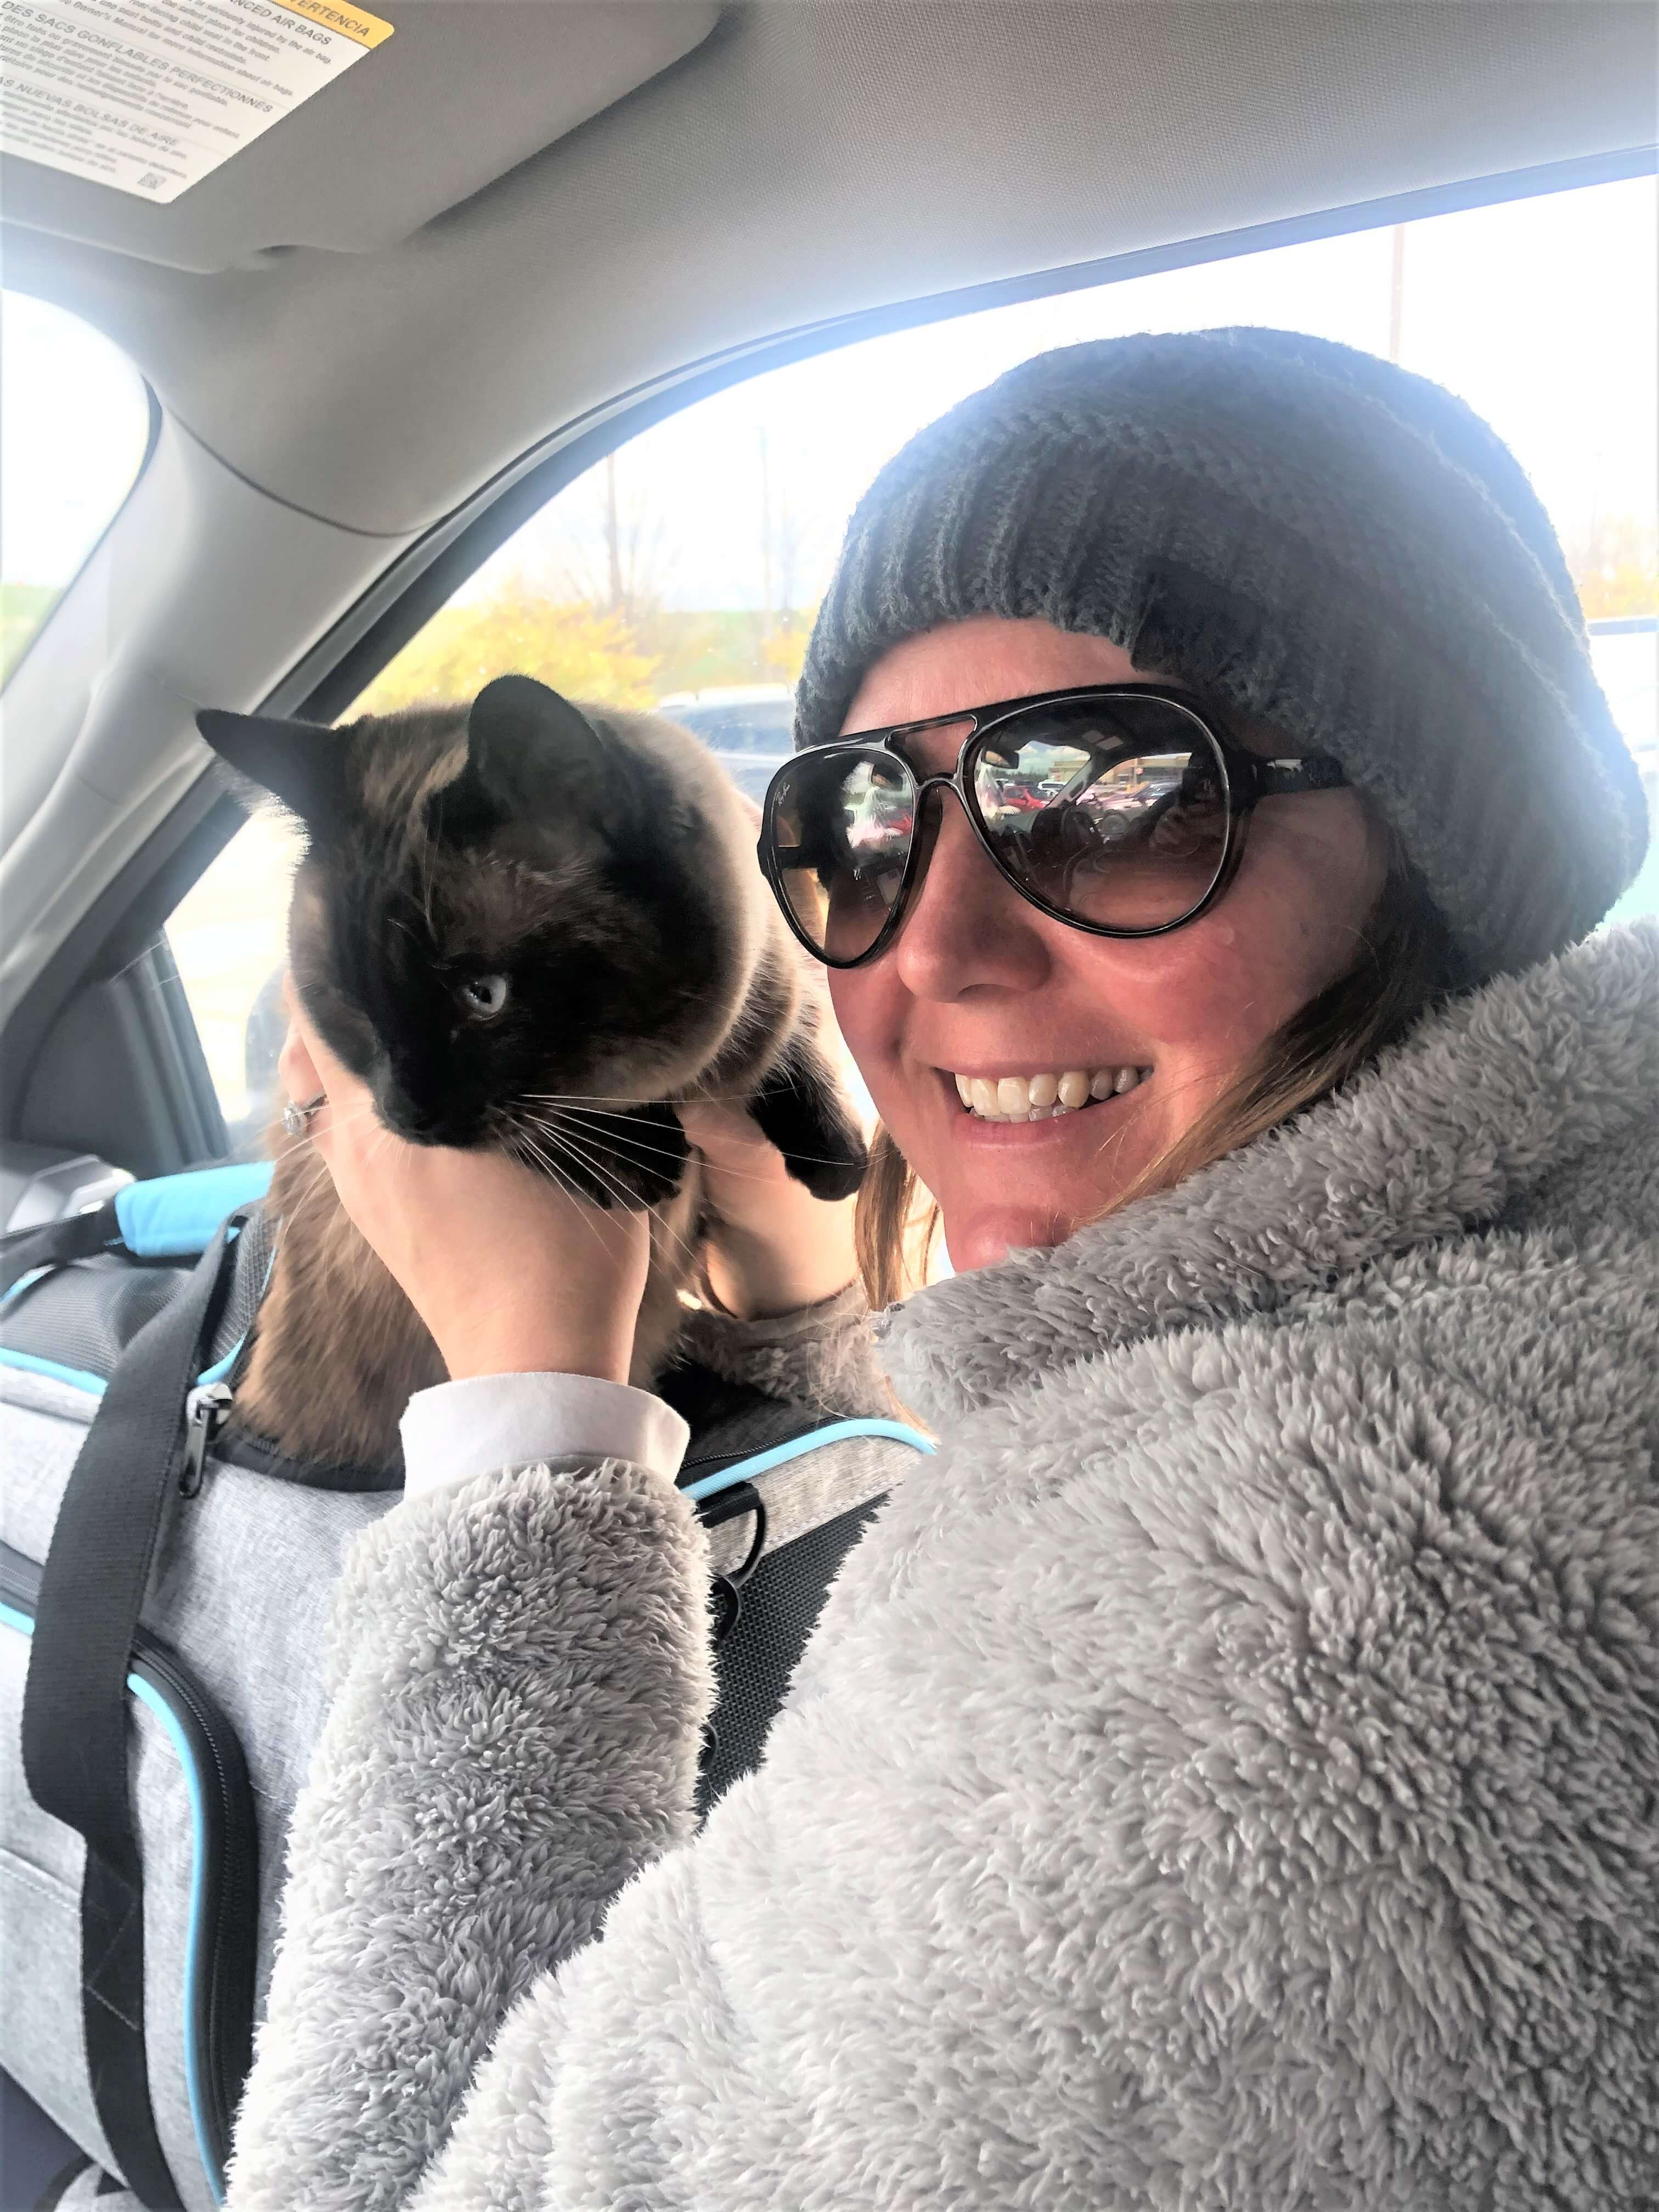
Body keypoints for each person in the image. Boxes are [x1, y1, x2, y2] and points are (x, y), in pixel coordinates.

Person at [225, 331, 1657, 2209]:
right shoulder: (1529, 1293)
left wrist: (531, 1409)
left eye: (1117, 796)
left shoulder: (1300, 1642)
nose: (937, 954)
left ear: (1446, 851)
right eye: (863, 821)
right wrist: (817, 1317)